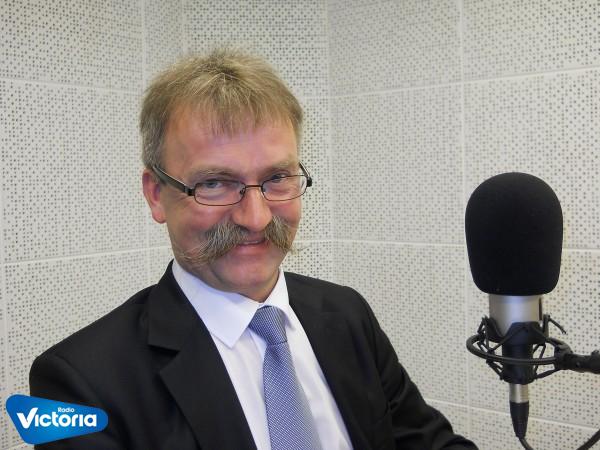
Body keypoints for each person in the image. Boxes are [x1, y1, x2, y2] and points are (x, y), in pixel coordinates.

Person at [30, 49, 477, 450]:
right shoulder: (78, 384)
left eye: (277, 178)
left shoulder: (346, 315)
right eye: (214, 183)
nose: (256, 218)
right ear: (155, 194)